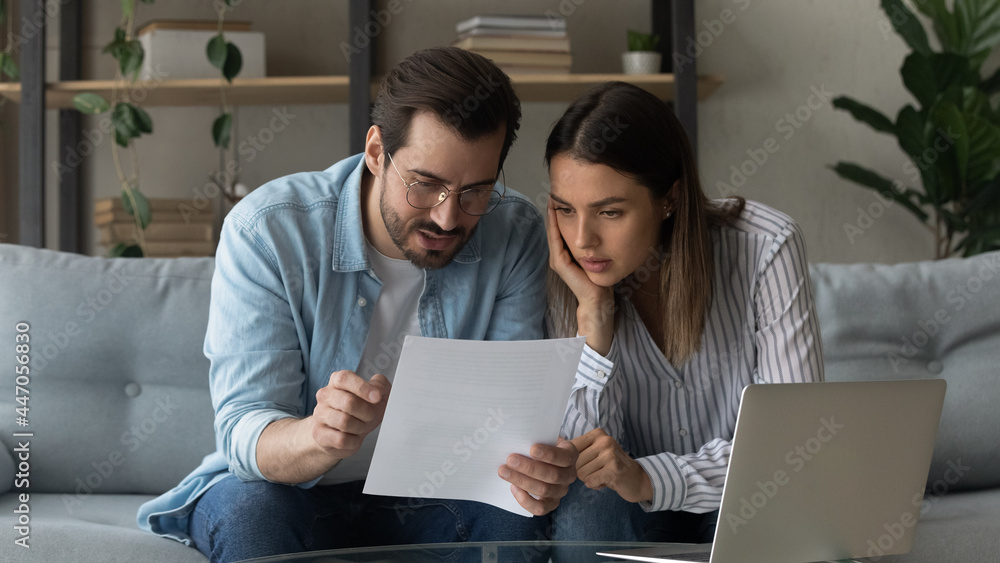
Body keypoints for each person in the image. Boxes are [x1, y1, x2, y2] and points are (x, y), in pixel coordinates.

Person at [136, 47, 578, 562]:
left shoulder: (515, 232)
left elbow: (509, 427)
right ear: (375, 151)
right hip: (290, 492)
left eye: (475, 191)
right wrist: (317, 437)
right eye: (425, 184)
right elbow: (243, 429)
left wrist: (536, 467)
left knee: (513, 519)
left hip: (430, 500)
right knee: (250, 514)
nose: (448, 217)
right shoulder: (267, 233)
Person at [542, 81, 824, 552]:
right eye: (565, 211)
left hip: (749, 499)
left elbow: (792, 447)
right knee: (586, 513)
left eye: (609, 212)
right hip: (626, 511)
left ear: (669, 199)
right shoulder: (563, 271)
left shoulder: (765, 248)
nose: (582, 239)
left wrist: (652, 477)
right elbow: (580, 461)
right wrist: (594, 320)